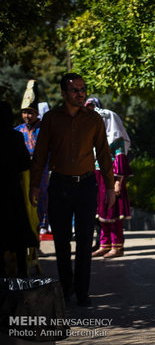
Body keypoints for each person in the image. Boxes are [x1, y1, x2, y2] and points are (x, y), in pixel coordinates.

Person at [30, 73, 116, 306]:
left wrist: (110, 186)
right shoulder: (51, 119)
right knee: (61, 241)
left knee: (86, 240)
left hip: (87, 185)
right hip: (59, 185)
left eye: (83, 89)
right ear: (63, 93)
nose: (80, 93)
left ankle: (82, 292)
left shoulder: (94, 119)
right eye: (75, 90)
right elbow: (39, 155)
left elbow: (105, 155)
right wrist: (35, 184)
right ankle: (66, 289)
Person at [86, 98, 132, 259]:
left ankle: (117, 246)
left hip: (111, 180)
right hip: (98, 179)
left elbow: (121, 163)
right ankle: (104, 244)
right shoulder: (95, 138)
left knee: (113, 213)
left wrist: (118, 182)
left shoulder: (116, 141)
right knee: (102, 213)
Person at [1, 101, 38, 277]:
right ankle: (23, 278)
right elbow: (25, 164)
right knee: (18, 237)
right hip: (12, 192)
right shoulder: (15, 137)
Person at [14, 79, 50, 235]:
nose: (27, 116)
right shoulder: (17, 131)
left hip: (42, 173)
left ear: (36, 113)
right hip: (23, 174)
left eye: (30, 112)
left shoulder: (46, 129)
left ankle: (41, 231)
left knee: (42, 203)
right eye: (24, 112)